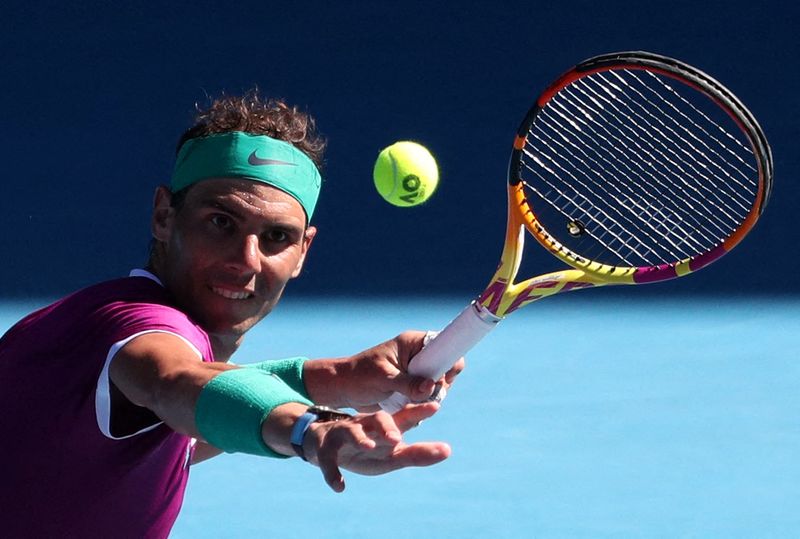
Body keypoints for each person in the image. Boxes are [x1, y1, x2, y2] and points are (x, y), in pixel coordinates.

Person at [0, 91, 463, 538]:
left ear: (304, 252)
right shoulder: (139, 328)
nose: (246, 260)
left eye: (277, 237)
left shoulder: (91, 325)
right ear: (164, 215)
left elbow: (181, 424)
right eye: (221, 222)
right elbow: (176, 384)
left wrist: (334, 377)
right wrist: (311, 427)